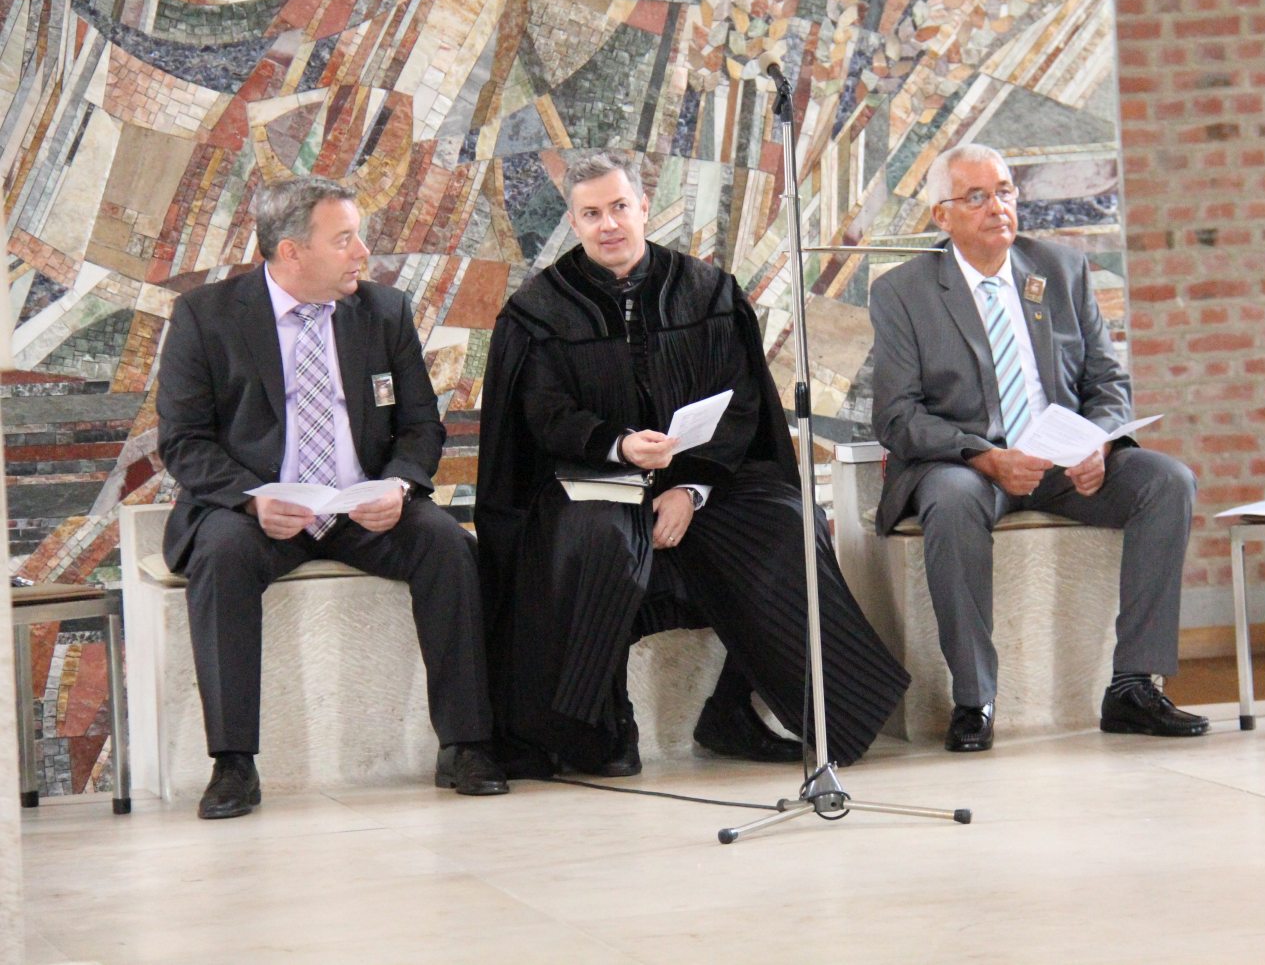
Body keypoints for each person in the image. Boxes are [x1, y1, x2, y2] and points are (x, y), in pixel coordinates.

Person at [476, 151, 909, 778]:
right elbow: (544, 415)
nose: (608, 224)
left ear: (644, 207)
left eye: (619, 207)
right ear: (573, 221)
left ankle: (742, 711)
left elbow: (742, 405)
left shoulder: (707, 293)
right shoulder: (540, 311)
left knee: (789, 523)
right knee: (600, 542)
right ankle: (600, 730)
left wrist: (691, 489)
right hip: (594, 481)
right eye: (591, 214)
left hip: (702, 478)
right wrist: (619, 445)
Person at [157, 176, 509, 818]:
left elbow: (421, 425)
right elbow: (183, 440)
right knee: (221, 556)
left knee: (449, 548)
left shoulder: (383, 311)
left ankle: (466, 743)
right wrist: (250, 499)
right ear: (292, 251)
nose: (361, 252)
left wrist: (399, 484)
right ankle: (233, 764)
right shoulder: (206, 316)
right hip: (260, 510)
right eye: (344, 239)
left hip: (362, 505)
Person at [869, 143, 1209, 752]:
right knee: (950, 500)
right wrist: (984, 456)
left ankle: (1133, 686)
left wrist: (1097, 443)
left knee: (1168, 481)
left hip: (1063, 461)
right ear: (942, 216)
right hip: (969, 464)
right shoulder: (903, 291)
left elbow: (1108, 382)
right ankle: (975, 698)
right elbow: (897, 417)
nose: (997, 207)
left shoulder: (1060, 269)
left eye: (1004, 191)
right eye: (977, 196)